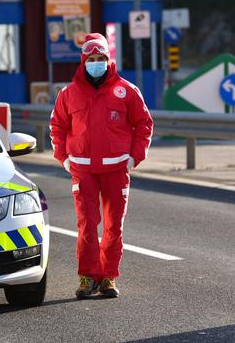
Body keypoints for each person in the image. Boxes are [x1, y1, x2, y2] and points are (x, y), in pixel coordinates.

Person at [50, 32, 153, 299]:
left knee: (113, 226)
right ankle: (87, 276)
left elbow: (144, 124)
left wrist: (134, 157)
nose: (96, 64)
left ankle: (108, 276)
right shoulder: (68, 94)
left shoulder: (126, 91)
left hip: (116, 169)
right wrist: (64, 158)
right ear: (83, 62)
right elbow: (57, 127)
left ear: (108, 60)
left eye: (101, 59)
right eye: (91, 59)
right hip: (82, 169)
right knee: (87, 225)